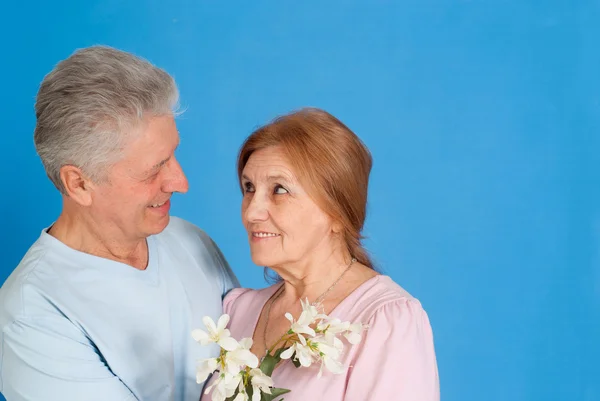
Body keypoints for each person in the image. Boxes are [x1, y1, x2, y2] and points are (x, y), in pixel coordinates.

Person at [0, 46, 238, 401]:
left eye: (173, 155)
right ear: (79, 184)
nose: (180, 182)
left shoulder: (189, 240)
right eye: (153, 168)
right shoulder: (31, 314)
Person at [201, 108, 439, 400]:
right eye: (249, 188)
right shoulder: (237, 311)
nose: (252, 212)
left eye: (279, 189)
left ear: (337, 212)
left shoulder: (383, 321)